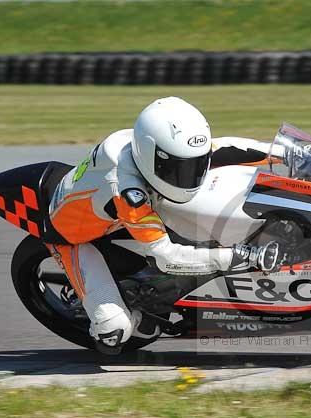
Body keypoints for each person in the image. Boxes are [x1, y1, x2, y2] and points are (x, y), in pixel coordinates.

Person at [46, 97, 282, 354]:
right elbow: (165, 257)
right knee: (114, 332)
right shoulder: (126, 191)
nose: (190, 175)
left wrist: (282, 152)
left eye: (194, 165)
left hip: (126, 206)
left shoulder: (159, 150)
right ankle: (113, 316)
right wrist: (242, 256)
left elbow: (223, 148)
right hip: (72, 235)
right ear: (152, 157)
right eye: (179, 169)